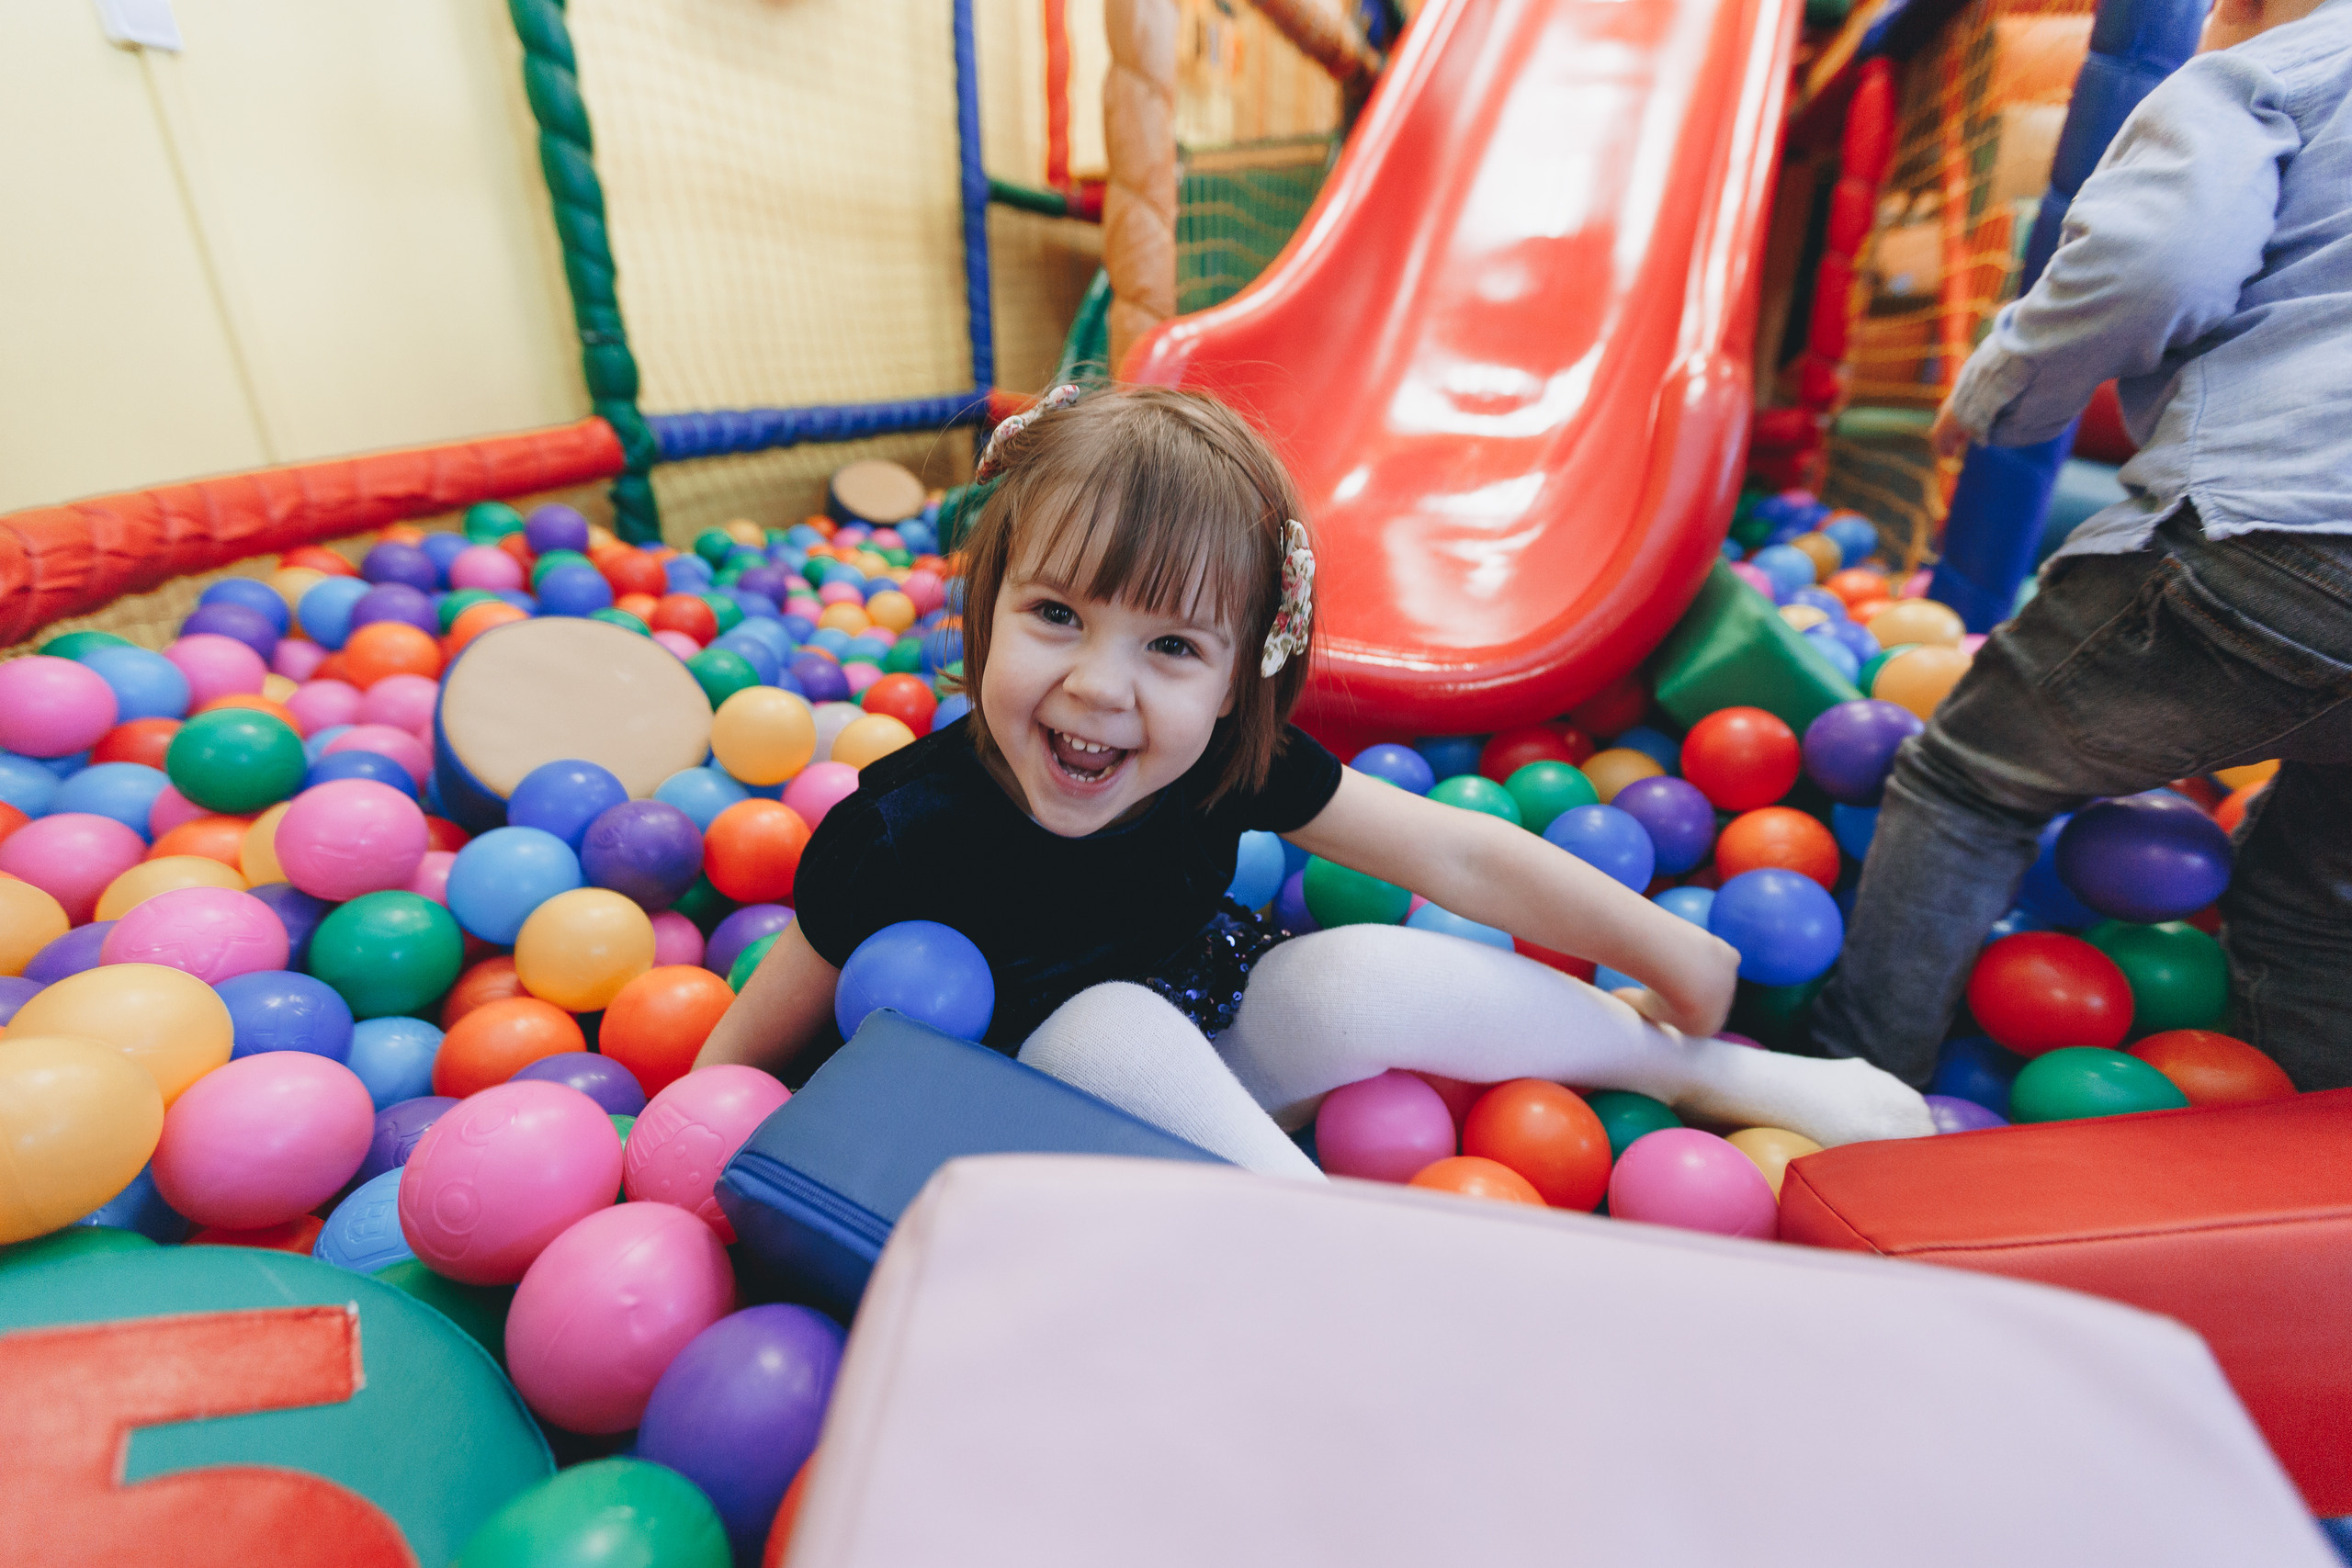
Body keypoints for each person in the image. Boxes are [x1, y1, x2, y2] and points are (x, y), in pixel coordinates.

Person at [698, 385, 1928, 1174]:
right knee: (1096, 1022)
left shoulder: (1224, 761)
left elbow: (1460, 854)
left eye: (1171, 645)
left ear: (1241, 681)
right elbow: (742, 1066)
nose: (1098, 686)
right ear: (986, 612)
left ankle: (1711, 1073)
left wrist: (1665, 945)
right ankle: (1326, 1234)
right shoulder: (904, 828)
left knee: (1351, 971)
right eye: (1057, 614)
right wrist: (690, 1153)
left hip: (1225, 1061)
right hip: (1044, 1144)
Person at [1815, 0, 2352, 1089]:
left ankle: (1847, 1084)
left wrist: (2008, 382)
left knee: (1967, 782)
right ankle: (2275, 1186)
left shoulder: (2264, 71)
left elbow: (2153, 264)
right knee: (2317, 892)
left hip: (2283, 535)